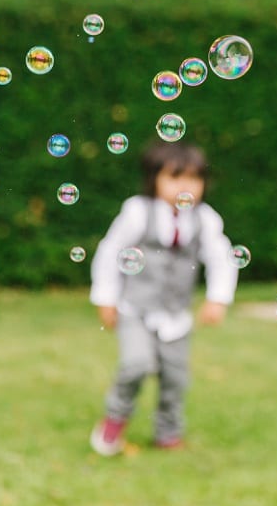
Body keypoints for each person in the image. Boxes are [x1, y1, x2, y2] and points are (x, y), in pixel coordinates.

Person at [88, 141, 238, 456]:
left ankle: (168, 433)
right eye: (175, 177)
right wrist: (106, 298)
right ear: (154, 178)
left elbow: (222, 258)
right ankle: (115, 418)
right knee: (136, 364)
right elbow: (110, 252)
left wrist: (217, 298)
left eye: (194, 179)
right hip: (135, 309)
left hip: (176, 316)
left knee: (175, 377)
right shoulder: (137, 212)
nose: (186, 186)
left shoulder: (205, 218)